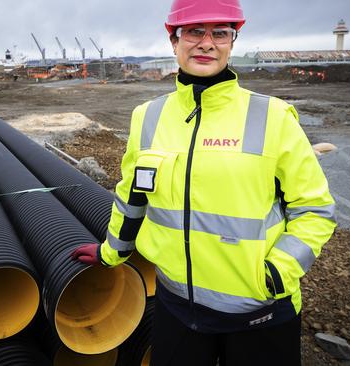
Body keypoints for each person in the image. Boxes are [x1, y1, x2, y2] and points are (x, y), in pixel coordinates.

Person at [72, 0, 336, 364]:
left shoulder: (272, 117)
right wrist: (110, 253)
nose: (207, 42)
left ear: (232, 42)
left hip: (259, 313)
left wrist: (276, 273)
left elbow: (315, 209)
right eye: (194, 31)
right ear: (174, 41)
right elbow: (133, 196)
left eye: (220, 33)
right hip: (176, 307)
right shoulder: (147, 117)